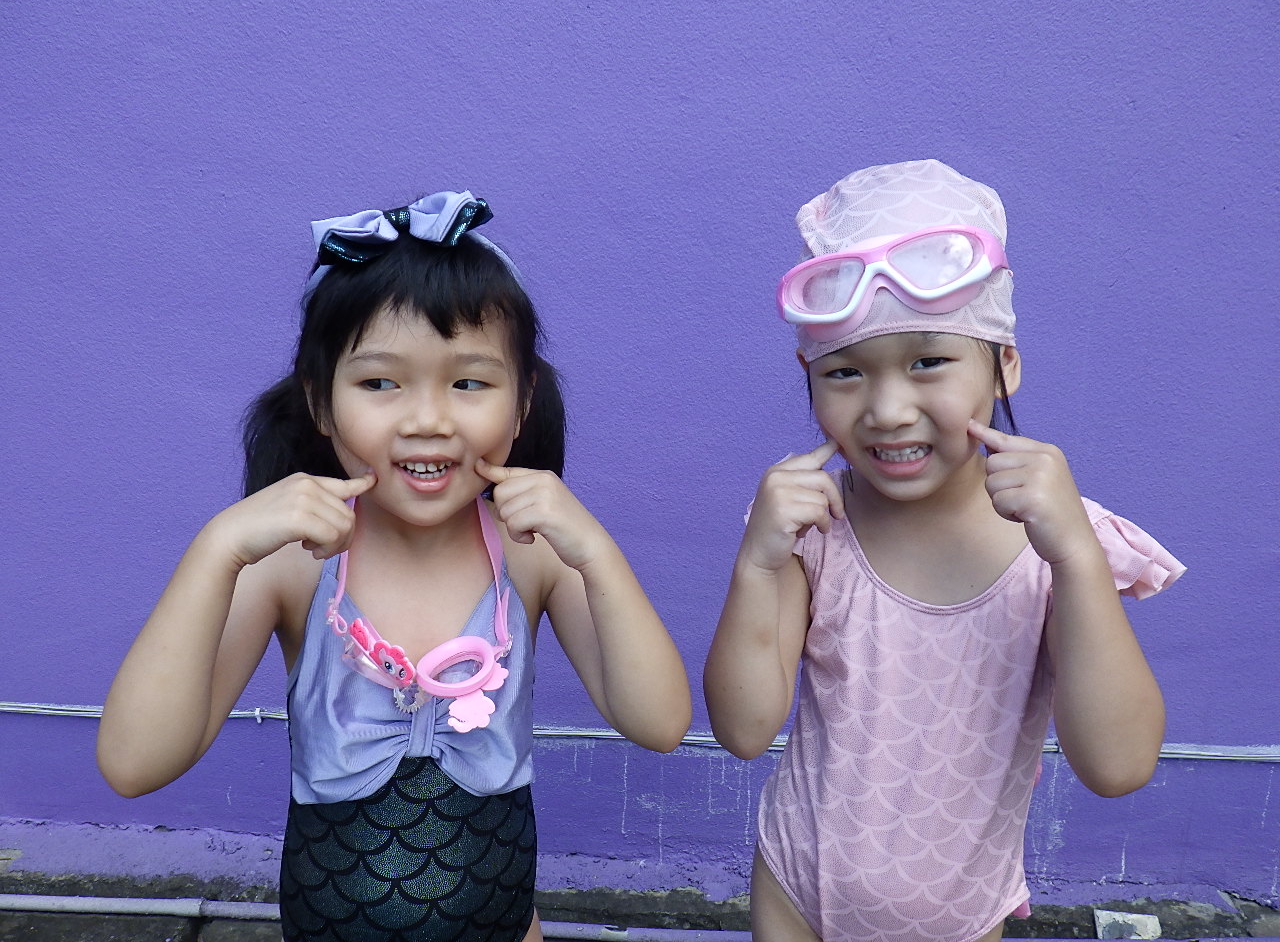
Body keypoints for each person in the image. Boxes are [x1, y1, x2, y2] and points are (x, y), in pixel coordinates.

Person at [99, 191, 692, 942]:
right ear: (320, 401)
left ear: (522, 402)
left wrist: (598, 553)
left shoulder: (532, 553)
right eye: (380, 382)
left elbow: (659, 724)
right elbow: (134, 764)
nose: (427, 420)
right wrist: (215, 550)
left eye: (469, 382)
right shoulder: (290, 566)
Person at [704, 160, 1184, 942]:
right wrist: (757, 565)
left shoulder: (1058, 547)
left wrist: (1078, 561)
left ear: (1005, 364)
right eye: (845, 372)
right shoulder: (812, 530)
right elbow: (743, 729)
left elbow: (1118, 764)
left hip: (962, 916)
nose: (888, 409)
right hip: (797, 894)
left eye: (928, 361)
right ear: (808, 375)